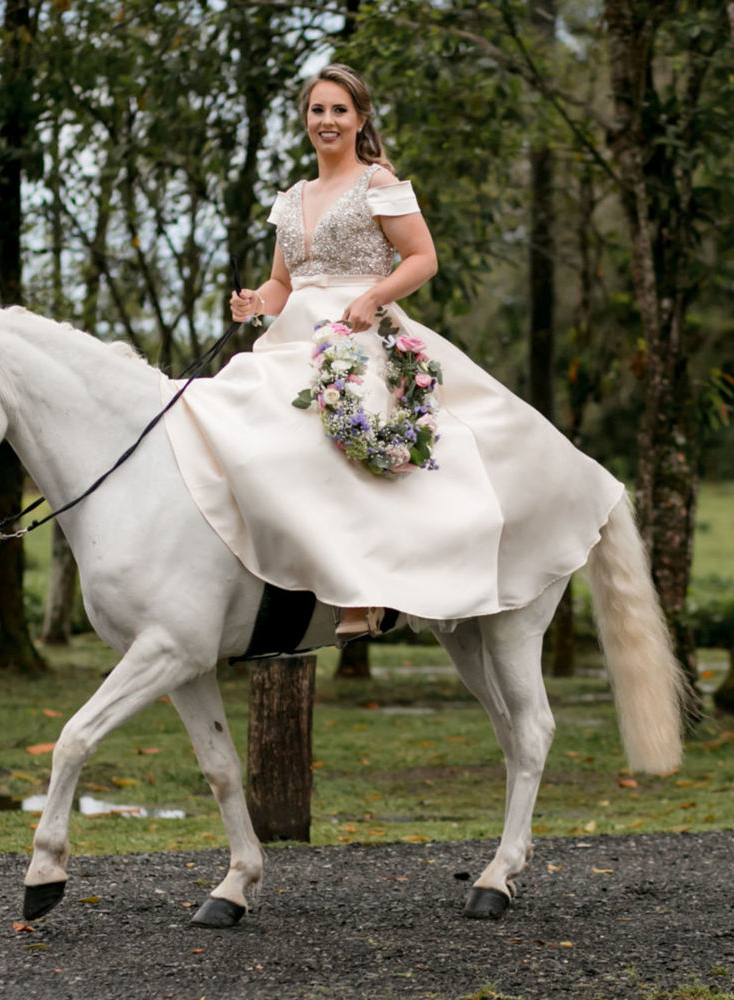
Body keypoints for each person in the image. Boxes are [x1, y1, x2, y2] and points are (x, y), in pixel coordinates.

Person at [161, 64, 624, 643]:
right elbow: (284, 287)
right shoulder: (290, 199)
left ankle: (366, 592)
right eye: (317, 110)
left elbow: (422, 258)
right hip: (296, 339)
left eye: (338, 110)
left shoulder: (378, 185)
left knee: (349, 437)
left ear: (359, 120)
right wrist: (255, 300)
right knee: (251, 437)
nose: (326, 121)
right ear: (305, 120)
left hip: (362, 334)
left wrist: (374, 295)